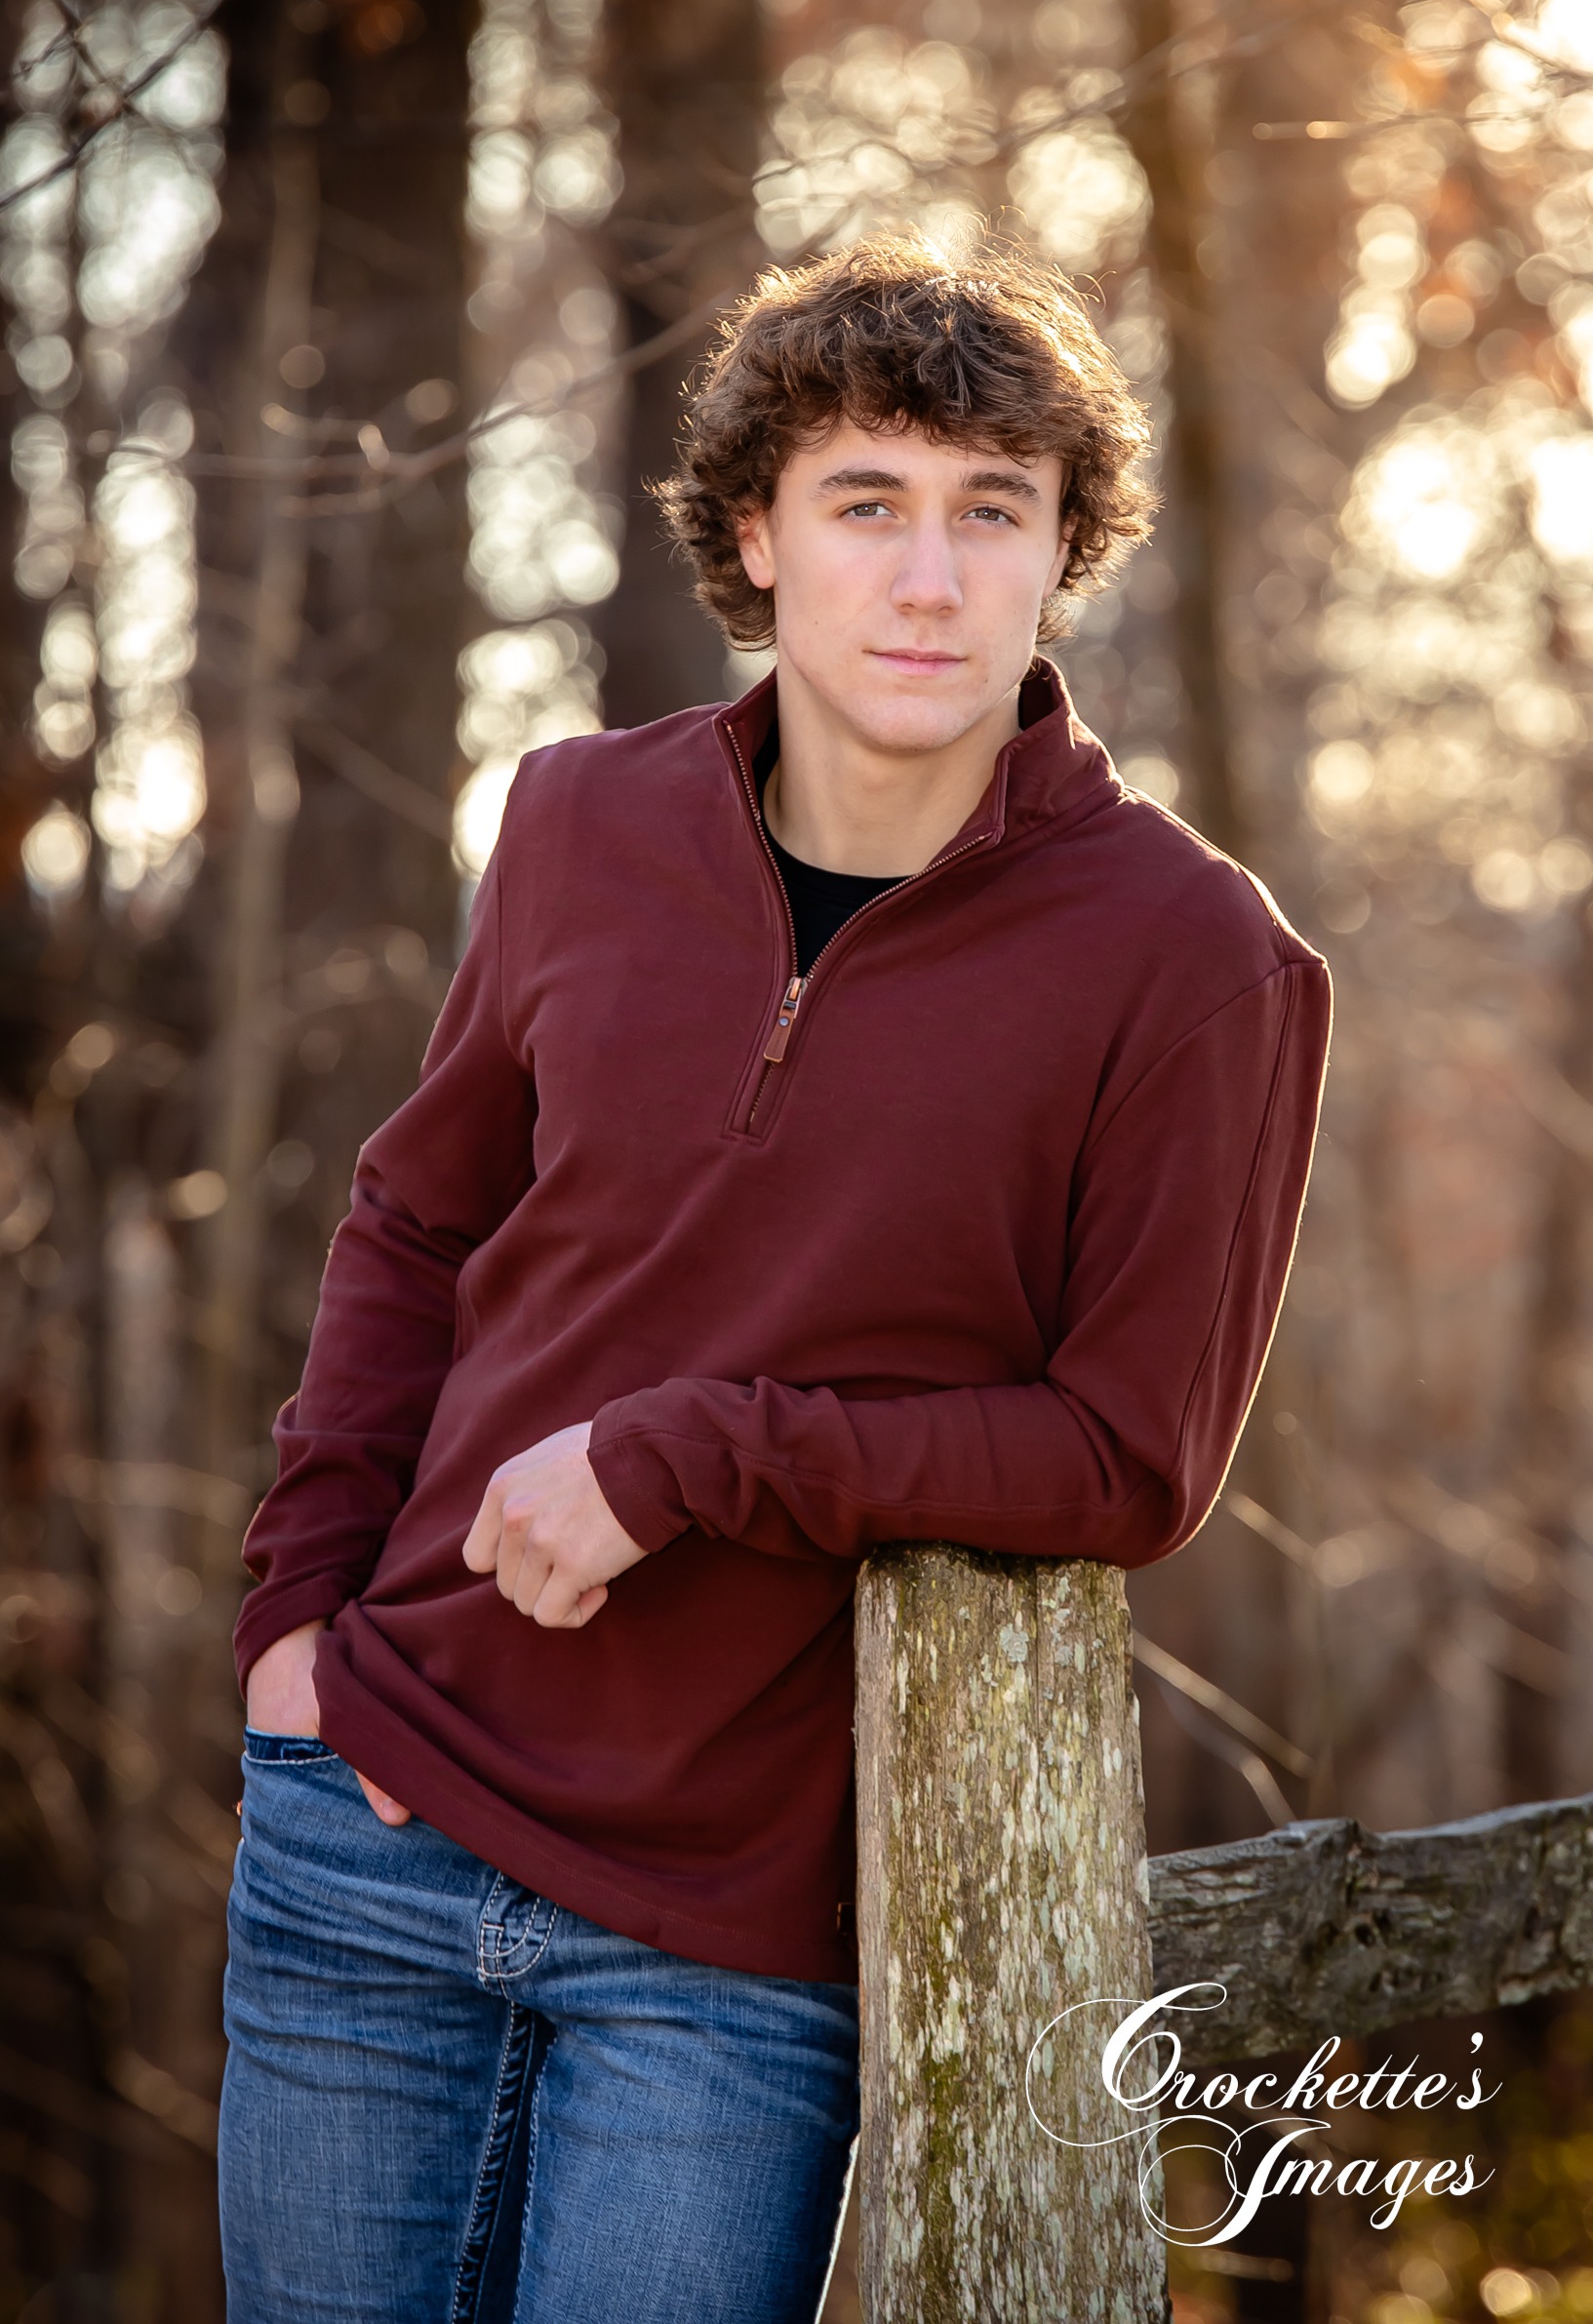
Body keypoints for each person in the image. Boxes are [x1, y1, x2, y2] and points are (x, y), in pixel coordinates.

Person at [219, 228, 1332, 2324]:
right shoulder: (572, 821)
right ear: (757, 535)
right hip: (366, 1820)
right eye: (866, 504)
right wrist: (294, 1627)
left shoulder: (1193, 958)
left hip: (731, 1928)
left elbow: (1126, 1456)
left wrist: (693, 1453)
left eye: (990, 512)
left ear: (1056, 551)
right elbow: (414, 1223)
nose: (929, 578)